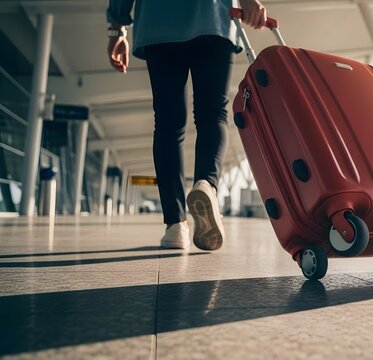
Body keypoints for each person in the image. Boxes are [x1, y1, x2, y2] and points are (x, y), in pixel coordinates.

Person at [106, 0, 268, 250]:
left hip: (158, 21)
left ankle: (175, 226)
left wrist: (117, 27)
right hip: (212, 17)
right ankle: (206, 184)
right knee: (213, 114)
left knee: (168, 125)